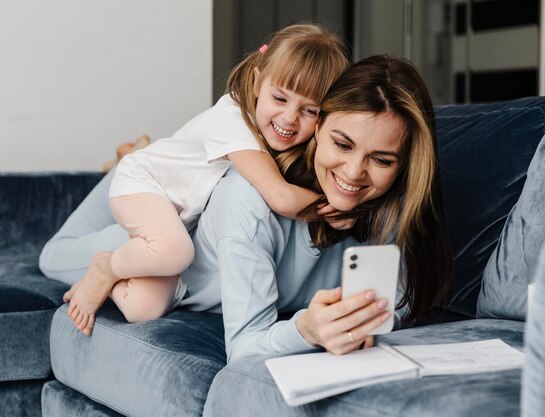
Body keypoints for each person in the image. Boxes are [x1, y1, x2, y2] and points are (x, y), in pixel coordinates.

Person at [40, 55, 454, 360]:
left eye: (381, 160)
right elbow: (244, 348)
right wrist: (305, 329)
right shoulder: (250, 201)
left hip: (189, 210)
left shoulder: (392, 210)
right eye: (342, 144)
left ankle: (143, 156)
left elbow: (397, 308)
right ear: (317, 128)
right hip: (152, 248)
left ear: (404, 166)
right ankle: (132, 161)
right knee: (53, 257)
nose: (354, 172)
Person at [56, 23, 350, 336]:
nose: (290, 118)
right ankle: (106, 265)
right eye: (279, 99)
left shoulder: (287, 144)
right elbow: (281, 198)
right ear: (255, 82)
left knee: (144, 308)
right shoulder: (233, 121)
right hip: (144, 184)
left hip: (177, 211)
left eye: (309, 110)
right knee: (175, 251)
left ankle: (136, 152)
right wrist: (338, 206)